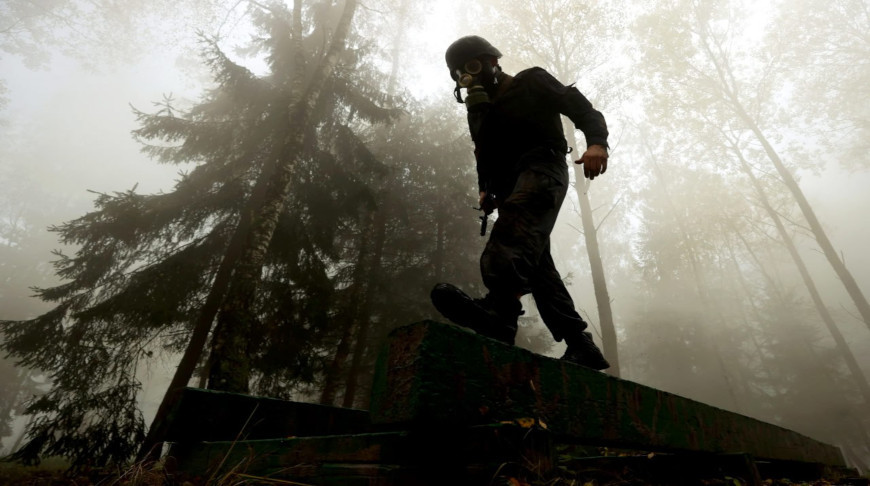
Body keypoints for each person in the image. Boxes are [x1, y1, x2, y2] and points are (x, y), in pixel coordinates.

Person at [431, 35, 610, 370]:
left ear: (492, 62)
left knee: (515, 228)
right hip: (513, 184)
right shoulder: (479, 114)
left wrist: (597, 142)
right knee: (538, 266)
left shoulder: (531, 82)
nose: (468, 77)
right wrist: (486, 189)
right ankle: (580, 344)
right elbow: (482, 153)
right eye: (460, 74)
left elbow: (578, 106)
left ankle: (501, 313)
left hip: (544, 167)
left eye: (472, 67)